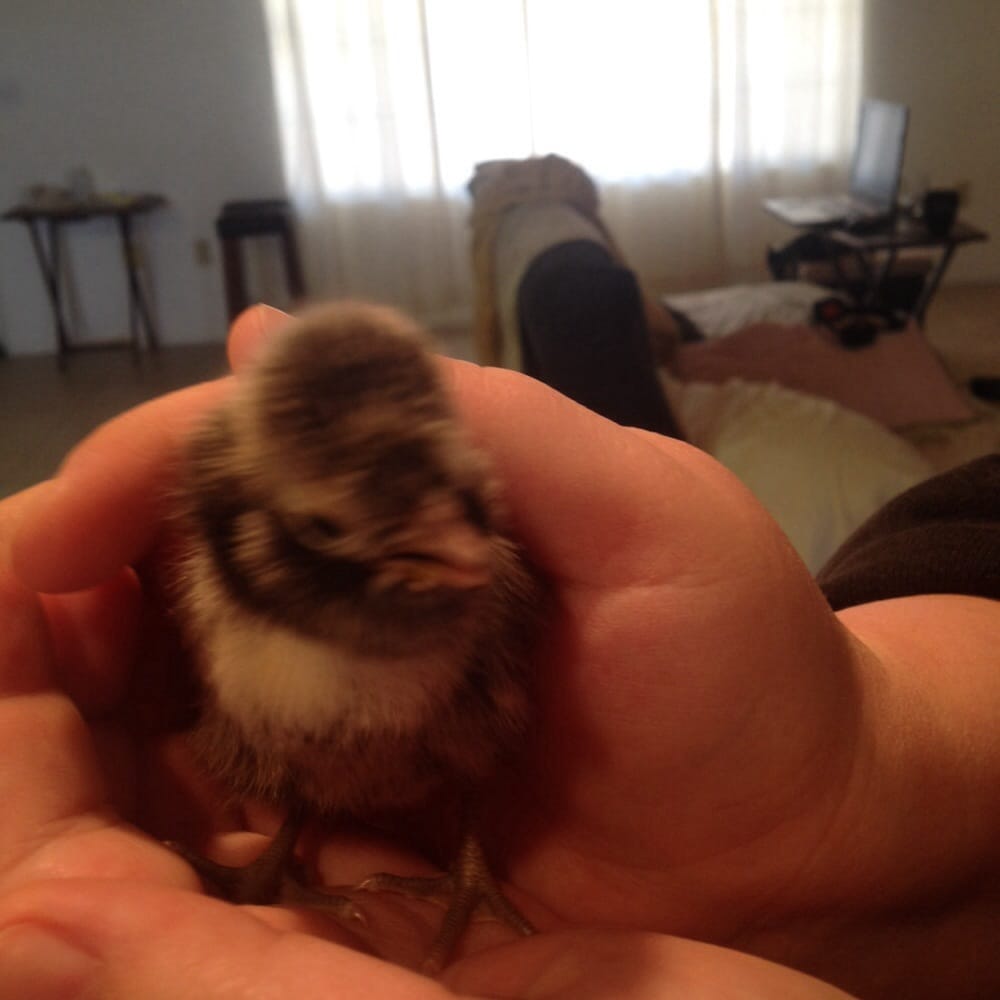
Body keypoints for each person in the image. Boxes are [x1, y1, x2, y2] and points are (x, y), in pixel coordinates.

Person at [0, 305, 998, 1000]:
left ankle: (461, 852)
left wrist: (856, 776)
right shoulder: (249, 557)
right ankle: (281, 844)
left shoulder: (456, 559)